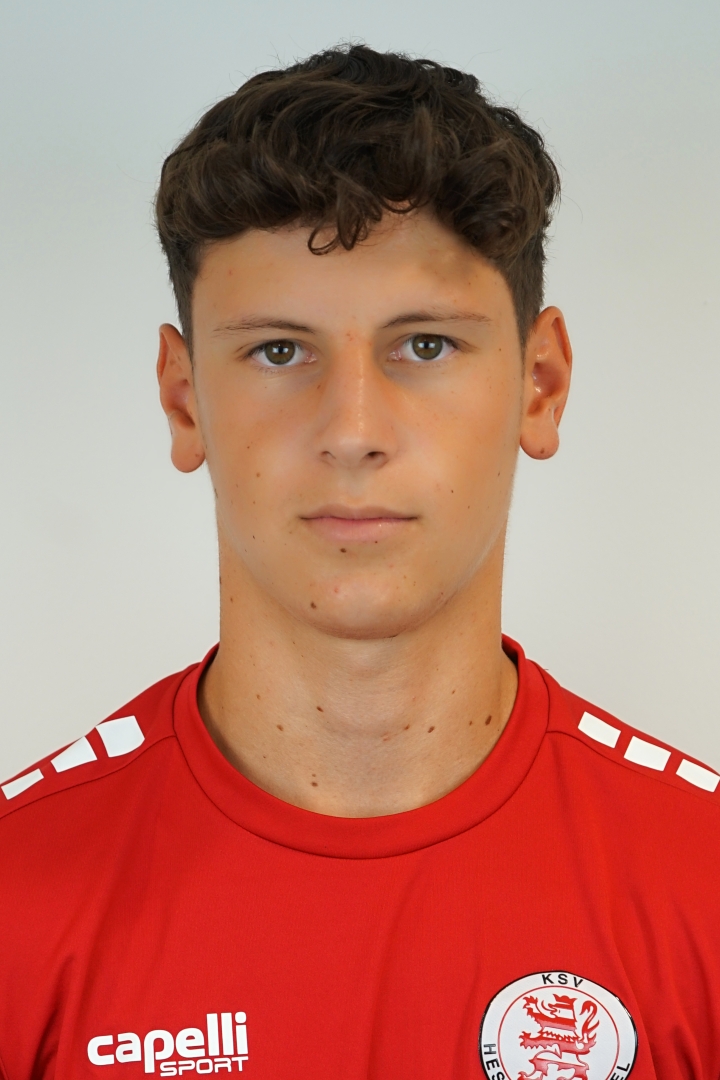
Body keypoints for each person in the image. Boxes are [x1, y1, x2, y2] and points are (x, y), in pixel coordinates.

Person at [1, 43, 718, 1080]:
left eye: (424, 345)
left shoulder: (702, 883)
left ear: (541, 384)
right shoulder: (18, 904)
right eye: (278, 350)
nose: (352, 430)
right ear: (184, 398)